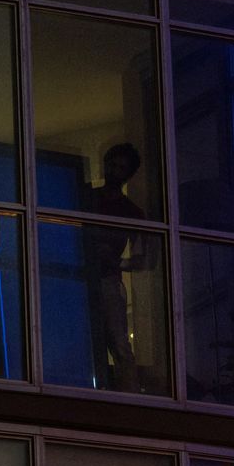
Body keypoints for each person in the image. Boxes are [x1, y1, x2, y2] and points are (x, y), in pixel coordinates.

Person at [83, 143, 153, 392]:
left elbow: (145, 259)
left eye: (121, 168)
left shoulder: (131, 212)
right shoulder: (85, 197)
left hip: (107, 279)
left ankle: (129, 392)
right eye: (112, 164)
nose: (115, 171)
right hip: (79, 278)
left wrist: (116, 262)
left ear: (128, 175)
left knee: (117, 339)